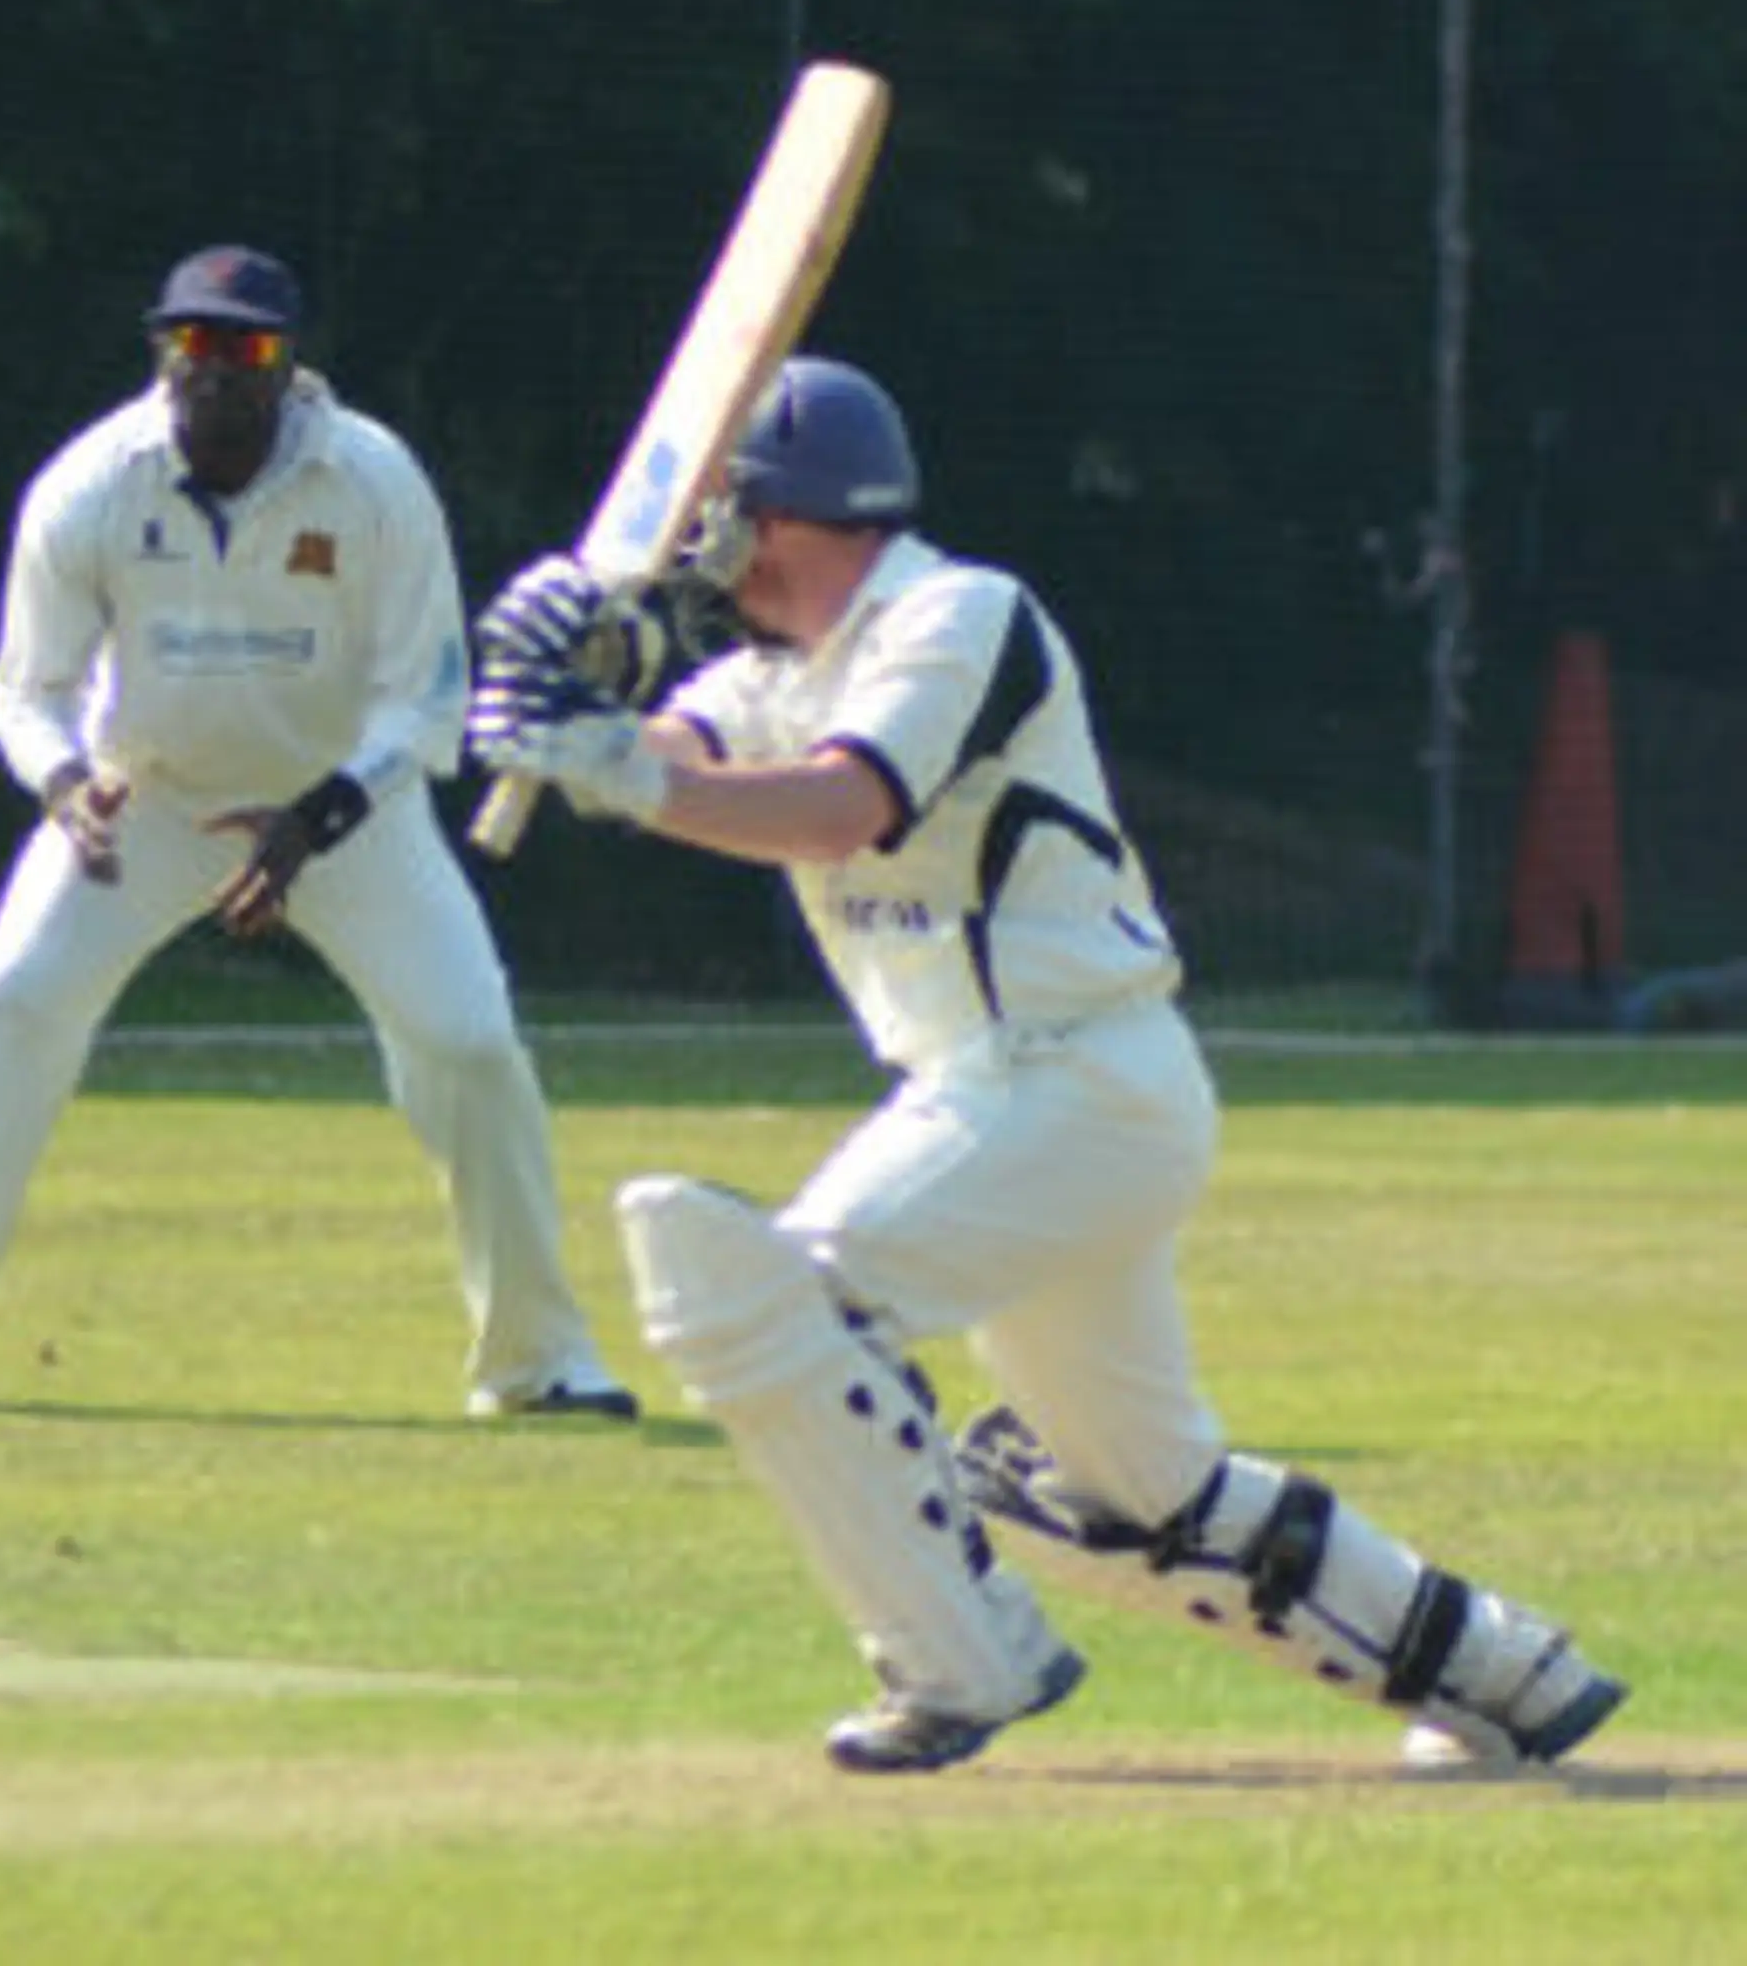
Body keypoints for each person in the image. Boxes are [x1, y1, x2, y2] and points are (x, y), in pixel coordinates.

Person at [464, 356, 1627, 1773]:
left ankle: (967, 1663)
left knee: (758, 1300)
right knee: (1128, 1493)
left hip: (1065, 1078)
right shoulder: (784, 670)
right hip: (1030, 1098)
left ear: (772, 515)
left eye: (720, 510)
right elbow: (676, 751)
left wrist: (611, 763)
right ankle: (1510, 1677)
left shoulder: (954, 618)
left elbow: (839, 808)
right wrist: (572, 700)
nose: (698, 543)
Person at [0, 245, 636, 1424]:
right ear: (162, 353)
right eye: (191, 347)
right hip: (142, 799)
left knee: (468, 1042)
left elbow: (422, 698)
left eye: (245, 349)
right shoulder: (90, 485)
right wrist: (64, 784)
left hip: (342, 809)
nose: (214, 374)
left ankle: (536, 1358)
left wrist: (312, 821)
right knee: (8, 1007)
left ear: (289, 364)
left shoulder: (371, 481)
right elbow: (28, 685)